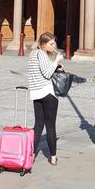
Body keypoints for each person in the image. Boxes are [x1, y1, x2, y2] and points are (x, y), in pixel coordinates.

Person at [27, 31, 63, 166]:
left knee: (38, 126)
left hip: (36, 94)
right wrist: (57, 61)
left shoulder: (32, 55)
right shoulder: (41, 54)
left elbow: (40, 71)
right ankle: (53, 157)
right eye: (51, 44)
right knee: (50, 126)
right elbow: (47, 74)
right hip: (48, 94)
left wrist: (56, 65)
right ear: (43, 44)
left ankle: (30, 156)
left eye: (54, 43)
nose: (54, 46)